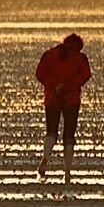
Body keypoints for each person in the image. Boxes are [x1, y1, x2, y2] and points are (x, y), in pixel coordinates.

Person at [33, 32, 91, 181]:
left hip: (52, 98)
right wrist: (68, 86)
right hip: (71, 99)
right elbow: (85, 75)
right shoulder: (79, 58)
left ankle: (45, 158)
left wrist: (55, 85)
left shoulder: (49, 55)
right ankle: (67, 171)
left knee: (51, 132)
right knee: (69, 135)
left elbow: (40, 73)